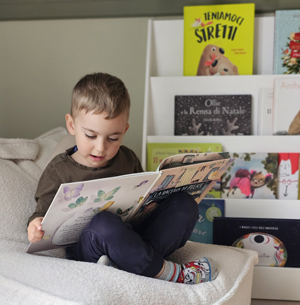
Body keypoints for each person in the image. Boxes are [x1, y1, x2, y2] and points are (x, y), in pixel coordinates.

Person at [27, 72, 218, 284]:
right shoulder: (58, 171)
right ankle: (172, 274)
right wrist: (35, 226)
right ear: (71, 125)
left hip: (134, 236)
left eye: (113, 138)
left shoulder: (127, 158)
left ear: (124, 130)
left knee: (185, 203)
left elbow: (145, 199)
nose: (101, 147)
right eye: (91, 135)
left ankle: (132, 264)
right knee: (103, 223)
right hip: (91, 248)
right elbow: (40, 215)